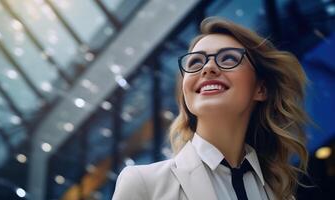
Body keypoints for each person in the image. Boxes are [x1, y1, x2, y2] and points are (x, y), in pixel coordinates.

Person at [112, 17, 310, 200]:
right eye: (196, 62)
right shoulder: (143, 184)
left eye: (229, 58)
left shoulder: (279, 195)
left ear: (261, 89)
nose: (208, 68)